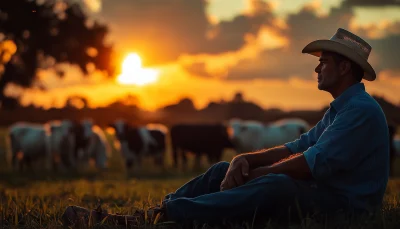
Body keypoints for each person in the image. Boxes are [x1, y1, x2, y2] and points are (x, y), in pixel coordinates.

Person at [62, 28, 390, 228]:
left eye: (325, 62)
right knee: (224, 167)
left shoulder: (359, 112)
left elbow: (309, 164)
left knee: (276, 185)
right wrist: (243, 160)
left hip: (345, 204)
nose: (317, 67)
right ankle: (161, 211)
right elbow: (296, 146)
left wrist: (255, 175)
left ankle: (157, 218)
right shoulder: (340, 109)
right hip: (324, 193)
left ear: (345, 67)